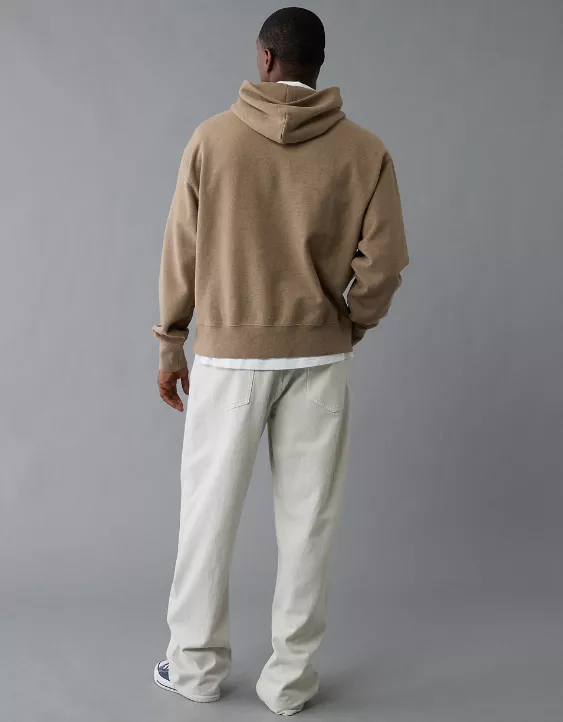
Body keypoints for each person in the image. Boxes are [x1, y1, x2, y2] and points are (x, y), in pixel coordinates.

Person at [151, 6, 409, 716]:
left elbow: (181, 252)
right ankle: (290, 684)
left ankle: (196, 670)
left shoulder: (212, 140)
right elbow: (384, 265)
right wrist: (351, 323)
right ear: (317, 65)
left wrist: (171, 342)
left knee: (207, 519)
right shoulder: (365, 151)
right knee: (308, 525)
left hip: (228, 359)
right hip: (319, 357)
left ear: (264, 57)